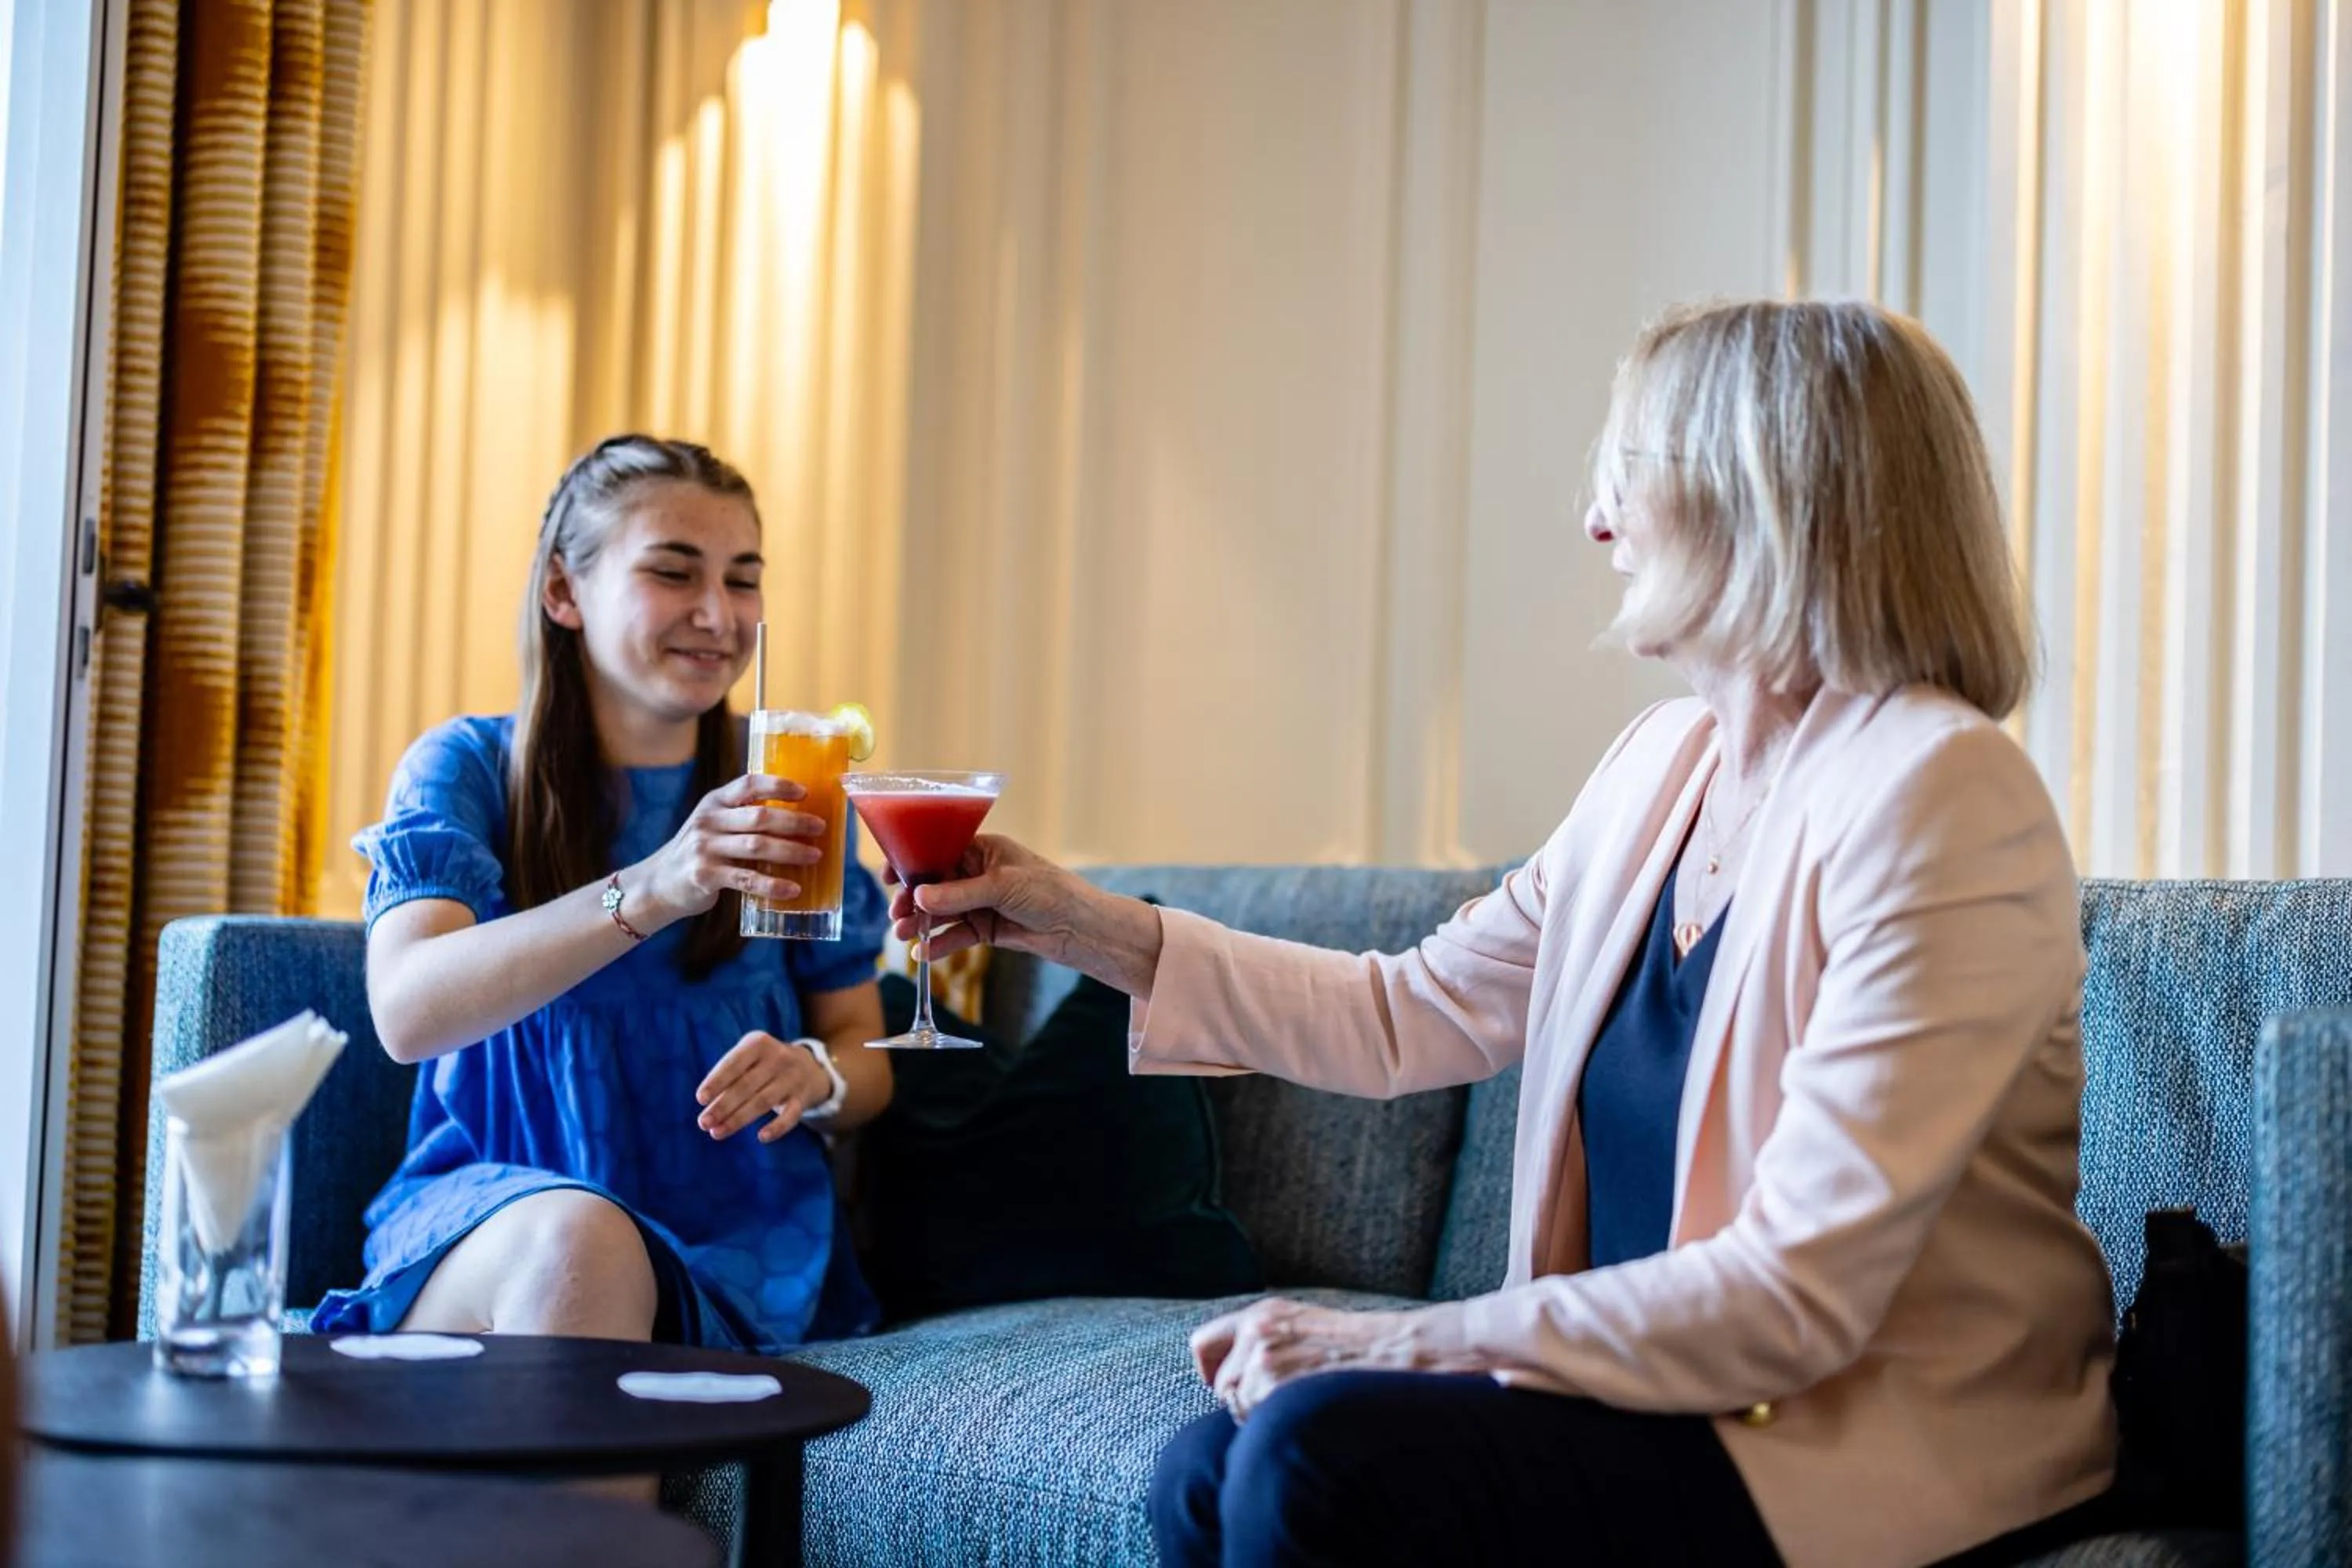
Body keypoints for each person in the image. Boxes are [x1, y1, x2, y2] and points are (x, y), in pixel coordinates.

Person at [893, 301, 2120, 1566]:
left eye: (1626, 471)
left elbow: (1797, 1295)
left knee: (1317, 1454)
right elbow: (1405, 1013)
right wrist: (1078, 924)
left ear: (1763, 493)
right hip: (1669, 1400)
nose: (1598, 520)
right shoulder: (1663, 766)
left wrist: (1390, 1340)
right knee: (1210, 1466)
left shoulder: (1941, 791)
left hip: (1857, 1433)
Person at [313, 434, 892, 1353]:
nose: (718, 613)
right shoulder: (464, 767)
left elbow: (865, 1053)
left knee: (599, 1251)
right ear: (563, 592)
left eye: (743, 580)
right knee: (581, 1237)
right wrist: (657, 887)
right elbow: (408, 1010)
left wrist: (815, 1073)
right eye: (674, 572)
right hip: (503, 1214)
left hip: (749, 1242)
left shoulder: (790, 782)